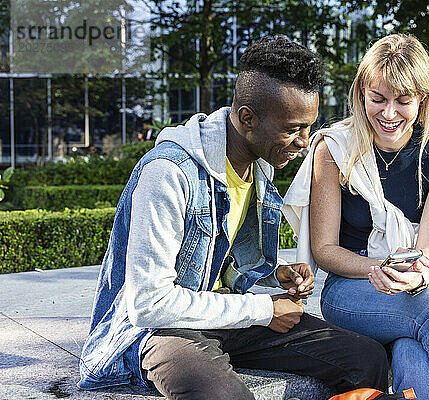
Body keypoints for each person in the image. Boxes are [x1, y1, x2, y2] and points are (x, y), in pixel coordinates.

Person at [77, 36, 389, 399]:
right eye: (293, 128)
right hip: (160, 332)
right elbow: (149, 303)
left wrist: (276, 275)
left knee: (366, 358)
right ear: (247, 119)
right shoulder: (168, 173)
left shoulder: (258, 165)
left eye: (309, 126)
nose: (305, 141)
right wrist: (262, 309)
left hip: (225, 317)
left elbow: (220, 259)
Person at [283, 34, 429, 399]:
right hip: (348, 290)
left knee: (409, 352)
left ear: (422, 99)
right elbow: (325, 250)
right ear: (362, 92)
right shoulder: (334, 148)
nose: (389, 113)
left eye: (403, 100)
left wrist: (410, 278)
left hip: (413, 283)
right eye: (377, 99)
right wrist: (379, 269)